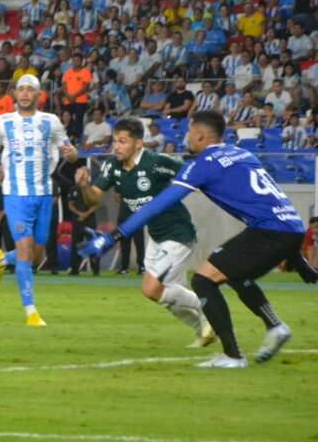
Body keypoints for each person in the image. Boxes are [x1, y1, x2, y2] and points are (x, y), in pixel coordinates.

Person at [80, 110, 316, 368]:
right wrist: (300, 262)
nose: (187, 136)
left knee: (203, 281)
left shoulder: (201, 165)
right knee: (235, 273)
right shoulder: (242, 153)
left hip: (267, 231)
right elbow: (270, 203)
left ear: (201, 135)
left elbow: (157, 205)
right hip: (291, 225)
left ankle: (233, 355)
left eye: (190, 131)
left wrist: (114, 236)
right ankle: (275, 326)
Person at [76, 119, 214, 347]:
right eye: (114, 141)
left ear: (139, 143)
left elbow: (192, 174)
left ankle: (209, 306)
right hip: (156, 236)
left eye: (122, 141)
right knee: (166, 299)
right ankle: (204, 331)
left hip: (178, 233)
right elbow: (94, 197)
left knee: (151, 288)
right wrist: (83, 185)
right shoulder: (112, 166)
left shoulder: (156, 162)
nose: (116, 147)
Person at [0, 74, 77, 326]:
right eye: (21, 89)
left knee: (36, 254)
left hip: (44, 193)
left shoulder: (52, 121)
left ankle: (2, 259)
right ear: (14, 94)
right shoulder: (3, 121)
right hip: (15, 194)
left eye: (30, 90)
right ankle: (31, 311)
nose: (25, 94)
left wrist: (72, 154)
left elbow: (69, 150)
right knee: (25, 251)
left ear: (39, 95)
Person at [65, 162, 99, 277]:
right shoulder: (73, 188)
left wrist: (86, 214)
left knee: (93, 244)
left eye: (81, 173)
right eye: (78, 173)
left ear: (87, 174)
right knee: (76, 244)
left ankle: (95, 270)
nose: (79, 175)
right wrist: (79, 213)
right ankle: (75, 269)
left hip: (90, 221)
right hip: (77, 221)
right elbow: (70, 204)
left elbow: (95, 204)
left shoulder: (93, 188)